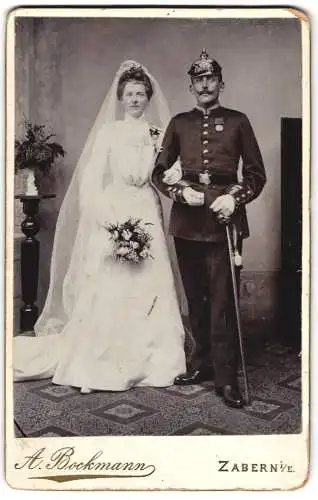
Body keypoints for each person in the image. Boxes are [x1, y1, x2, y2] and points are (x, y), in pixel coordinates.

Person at [13, 60, 186, 392]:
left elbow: (168, 169)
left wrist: (176, 175)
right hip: (115, 204)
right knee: (112, 278)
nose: (135, 99)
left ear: (148, 98)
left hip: (146, 204)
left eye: (140, 94)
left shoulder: (156, 133)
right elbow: (91, 177)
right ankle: (101, 362)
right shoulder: (109, 132)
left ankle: (153, 359)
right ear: (121, 97)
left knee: (150, 277)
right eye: (130, 93)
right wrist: (102, 215)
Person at [151, 49, 267, 408]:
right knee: (196, 297)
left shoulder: (238, 121)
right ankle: (200, 363)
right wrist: (180, 191)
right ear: (190, 86)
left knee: (222, 302)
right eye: (199, 80)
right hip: (187, 221)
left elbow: (256, 175)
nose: (205, 85)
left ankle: (226, 377)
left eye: (210, 79)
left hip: (224, 221)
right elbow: (158, 172)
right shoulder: (179, 123)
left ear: (220, 83)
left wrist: (235, 197)